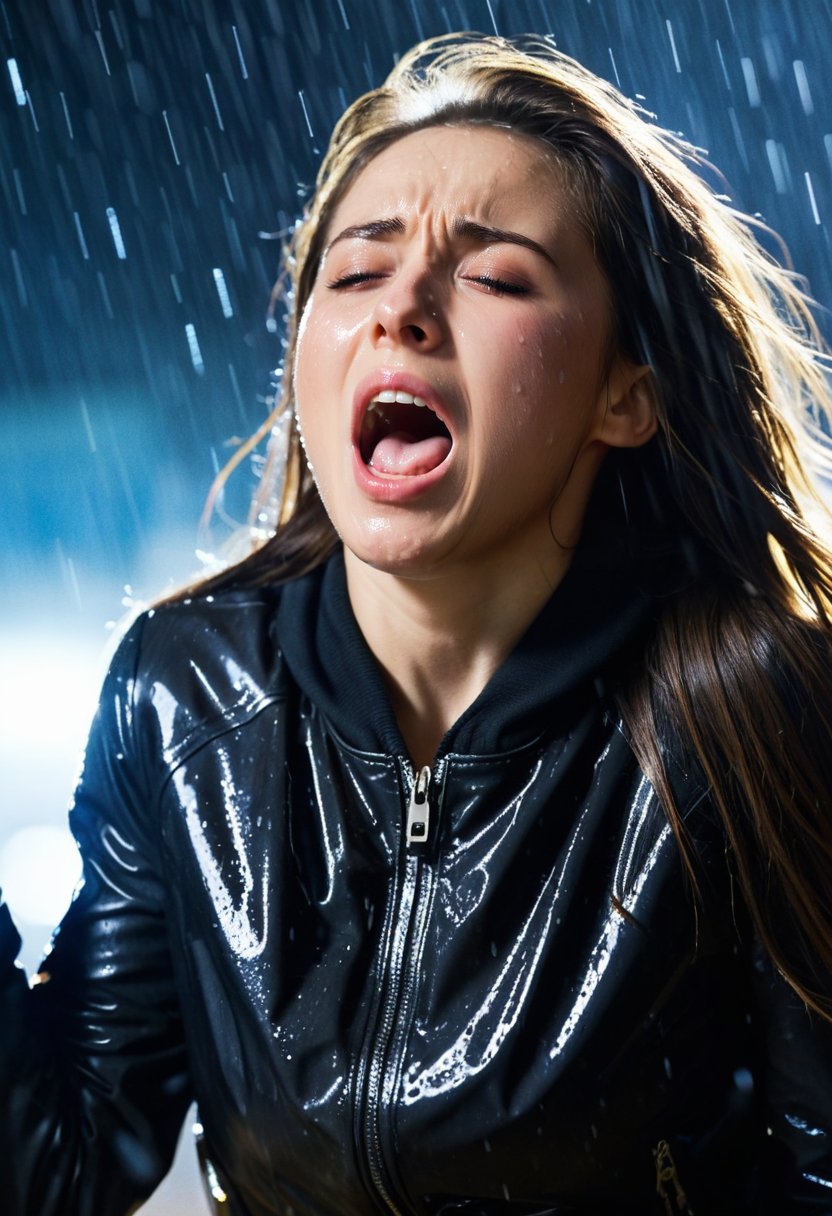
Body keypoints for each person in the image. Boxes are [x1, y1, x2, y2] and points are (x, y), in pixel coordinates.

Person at [3, 31, 832, 1216]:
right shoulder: (181, 699)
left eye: (493, 276)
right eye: (354, 273)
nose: (401, 309)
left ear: (625, 395)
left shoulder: (751, 710)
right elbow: (60, 1168)